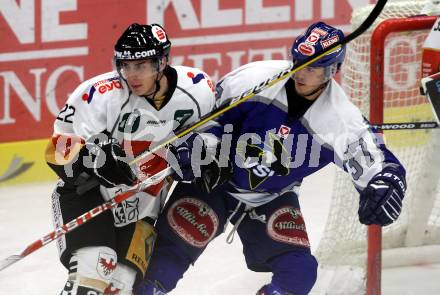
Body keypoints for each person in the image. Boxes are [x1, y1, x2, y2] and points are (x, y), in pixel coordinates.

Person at [135, 22, 407, 295]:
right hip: (215, 182)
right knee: (165, 260)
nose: (301, 71)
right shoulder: (253, 79)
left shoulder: (340, 120)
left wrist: (385, 185)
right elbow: (207, 116)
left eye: (312, 67)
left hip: (270, 197)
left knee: (299, 273)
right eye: (298, 62)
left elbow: (380, 165)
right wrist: (204, 146)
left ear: (332, 71)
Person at [45, 23, 215, 295]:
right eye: (126, 65)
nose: (132, 75)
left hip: (144, 205)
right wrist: (92, 160)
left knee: (121, 285)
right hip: (88, 195)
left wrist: (203, 150)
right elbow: (56, 148)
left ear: (162, 62)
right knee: (94, 269)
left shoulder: (198, 90)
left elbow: (213, 134)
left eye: (142, 66)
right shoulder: (98, 95)